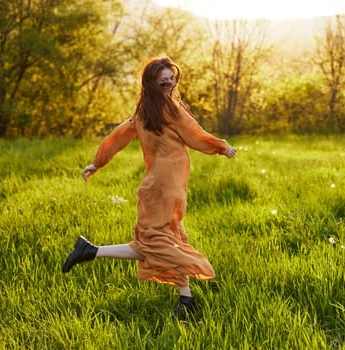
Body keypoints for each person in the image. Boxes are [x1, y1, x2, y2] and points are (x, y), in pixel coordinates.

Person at [62, 56, 236, 316]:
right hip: (164, 188)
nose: (169, 84)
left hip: (165, 187)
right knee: (157, 243)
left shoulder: (146, 111)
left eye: (171, 79)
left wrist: (98, 163)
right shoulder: (169, 109)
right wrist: (222, 147)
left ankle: (184, 300)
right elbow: (194, 133)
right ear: (152, 84)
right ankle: (91, 251)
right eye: (163, 81)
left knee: (171, 238)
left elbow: (117, 136)